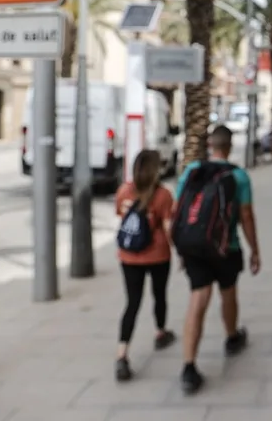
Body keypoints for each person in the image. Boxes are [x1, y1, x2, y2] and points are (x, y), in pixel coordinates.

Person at [173, 125, 261, 394]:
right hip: (225, 247)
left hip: (194, 246)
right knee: (228, 292)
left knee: (198, 298)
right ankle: (232, 337)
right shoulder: (238, 176)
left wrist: (180, 249)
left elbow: (178, 210)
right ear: (230, 146)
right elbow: (246, 216)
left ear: (210, 145)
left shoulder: (192, 170)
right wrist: (255, 250)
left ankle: (189, 366)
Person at [113, 149, 176, 382]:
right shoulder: (163, 195)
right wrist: (180, 252)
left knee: (132, 303)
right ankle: (160, 332)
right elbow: (168, 228)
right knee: (159, 295)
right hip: (158, 255)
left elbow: (122, 216)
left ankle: (122, 354)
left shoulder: (123, 191)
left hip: (129, 256)